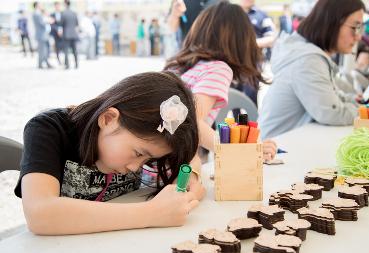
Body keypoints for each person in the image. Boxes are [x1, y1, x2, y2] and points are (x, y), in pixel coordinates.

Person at [14, 71, 204, 235]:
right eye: (138, 153)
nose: (136, 167)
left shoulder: (145, 142)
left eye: (151, 159)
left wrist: (191, 177)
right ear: (108, 119)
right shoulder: (48, 130)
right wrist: (151, 213)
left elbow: (191, 157)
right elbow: (40, 213)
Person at [165, 2, 277, 162]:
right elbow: (189, 121)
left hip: (151, 163)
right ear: (241, 40)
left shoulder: (179, 65)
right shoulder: (218, 69)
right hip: (167, 168)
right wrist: (240, 152)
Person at [259, 0, 369, 139]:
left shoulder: (306, 53)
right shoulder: (308, 60)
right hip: (278, 151)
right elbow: (332, 113)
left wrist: (365, 103)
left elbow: (332, 98)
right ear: (331, 23)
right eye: (355, 27)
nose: (358, 36)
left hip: (289, 143)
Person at [32, 2, 52, 69]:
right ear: (37, 6)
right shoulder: (36, 14)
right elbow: (42, 23)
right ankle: (41, 64)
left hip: (43, 35)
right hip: (41, 35)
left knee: (45, 50)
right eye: (40, 5)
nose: (41, 6)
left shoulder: (38, 13)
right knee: (42, 50)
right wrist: (48, 21)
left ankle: (45, 62)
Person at [61, 0, 79, 69]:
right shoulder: (74, 13)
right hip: (74, 34)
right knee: (74, 50)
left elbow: (61, 24)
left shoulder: (63, 13)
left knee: (66, 50)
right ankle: (76, 64)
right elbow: (77, 24)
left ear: (65, 4)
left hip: (66, 34)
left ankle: (67, 65)